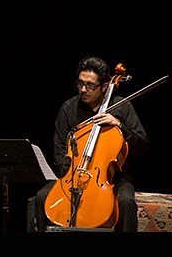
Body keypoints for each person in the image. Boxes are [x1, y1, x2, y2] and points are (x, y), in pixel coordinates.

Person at [34, 56, 149, 232]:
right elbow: (59, 148)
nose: (83, 89)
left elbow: (142, 145)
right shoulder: (69, 108)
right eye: (80, 84)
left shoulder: (121, 107)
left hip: (112, 178)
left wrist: (119, 125)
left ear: (104, 87)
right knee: (41, 197)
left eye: (90, 86)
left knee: (126, 203)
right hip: (73, 174)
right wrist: (70, 176)